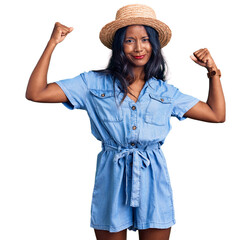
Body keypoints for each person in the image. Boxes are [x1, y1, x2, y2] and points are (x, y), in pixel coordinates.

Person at [25, 4, 225, 240]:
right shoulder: (92, 83)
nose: (139, 47)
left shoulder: (165, 92)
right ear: (119, 44)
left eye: (145, 39)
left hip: (153, 178)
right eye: (130, 40)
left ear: (154, 45)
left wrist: (213, 71)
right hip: (112, 176)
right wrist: (52, 44)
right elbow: (36, 93)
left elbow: (216, 114)